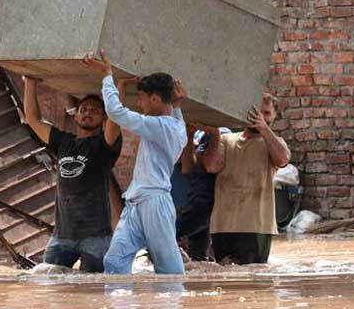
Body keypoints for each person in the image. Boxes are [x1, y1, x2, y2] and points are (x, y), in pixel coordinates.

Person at [83, 49, 188, 275]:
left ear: (155, 99)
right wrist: (178, 105)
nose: (140, 105)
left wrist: (107, 75)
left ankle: (174, 308)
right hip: (137, 202)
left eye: (141, 99)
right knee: (114, 262)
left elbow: (115, 111)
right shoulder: (177, 125)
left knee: (168, 269)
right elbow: (176, 113)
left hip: (155, 203)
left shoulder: (161, 126)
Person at [23, 76, 122, 273]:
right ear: (75, 116)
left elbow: (115, 121)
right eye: (83, 110)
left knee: (94, 289)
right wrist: (30, 83)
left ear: (104, 118)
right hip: (62, 235)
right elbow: (33, 120)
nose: (87, 113)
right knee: (49, 285)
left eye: (94, 111)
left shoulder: (104, 146)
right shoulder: (63, 142)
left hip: (96, 236)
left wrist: (117, 86)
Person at [198, 93, 290, 264]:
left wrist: (263, 129)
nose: (260, 117)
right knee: (225, 278)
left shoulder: (274, 143)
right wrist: (215, 135)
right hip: (222, 225)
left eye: (267, 113)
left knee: (252, 280)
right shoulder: (226, 139)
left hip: (256, 227)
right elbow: (211, 166)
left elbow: (283, 159)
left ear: (275, 117)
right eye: (256, 113)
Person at [171, 126, 230, 261]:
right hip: (187, 205)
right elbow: (184, 164)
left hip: (200, 207)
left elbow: (210, 165)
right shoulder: (187, 132)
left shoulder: (221, 134)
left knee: (168, 246)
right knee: (197, 260)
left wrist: (213, 135)